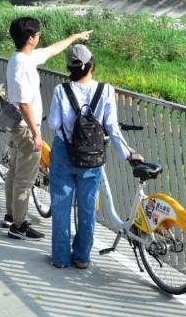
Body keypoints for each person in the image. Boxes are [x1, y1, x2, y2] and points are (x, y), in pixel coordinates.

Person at [47, 44, 143, 269]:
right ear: (91, 64)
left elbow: (53, 123)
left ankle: (60, 258)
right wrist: (128, 154)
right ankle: (82, 257)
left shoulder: (62, 91)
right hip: (92, 156)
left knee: (61, 206)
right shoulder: (106, 90)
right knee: (88, 208)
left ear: (69, 68)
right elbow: (111, 127)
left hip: (64, 153)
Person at [3, 17, 91, 240]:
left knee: (14, 172)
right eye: (38, 34)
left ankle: (11, 215)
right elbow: (24, 103)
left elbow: (51, 50)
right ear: (31, 38)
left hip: (16, 126)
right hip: (24, 128)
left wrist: (75, 37)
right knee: (25, 178)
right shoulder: (23, 65)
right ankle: (19, 225)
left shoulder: (22, 57)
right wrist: (36, 133)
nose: (40, 37)